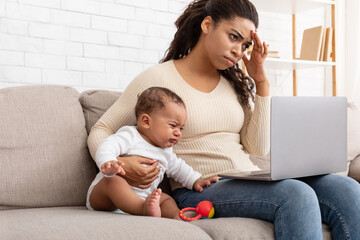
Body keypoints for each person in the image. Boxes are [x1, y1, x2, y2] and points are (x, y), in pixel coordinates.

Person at [88, 0, 360, 238]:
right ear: (207, 25)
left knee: (347, 189)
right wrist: (122, 163)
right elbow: (101, 129)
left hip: (248, 178)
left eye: (245, 45)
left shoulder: (235, 84)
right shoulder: (158, 79)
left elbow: (257, 148)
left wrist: (261, 81)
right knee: (295, 195)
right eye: (233, 37)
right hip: (197, 188)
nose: (238, 51)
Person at [86, 87, 218, 219]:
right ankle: (141, 209)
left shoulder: (166, 151)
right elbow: (108, 145)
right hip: (105, 199)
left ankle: (176, 215)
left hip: (144, 198)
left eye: (181, 128)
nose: (178, 133)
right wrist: (109, 162)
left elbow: (179, 168)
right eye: (173, 125)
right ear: (146, 121)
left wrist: (196, 180)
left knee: (165, 198)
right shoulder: (131, 136)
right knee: (114, 182)